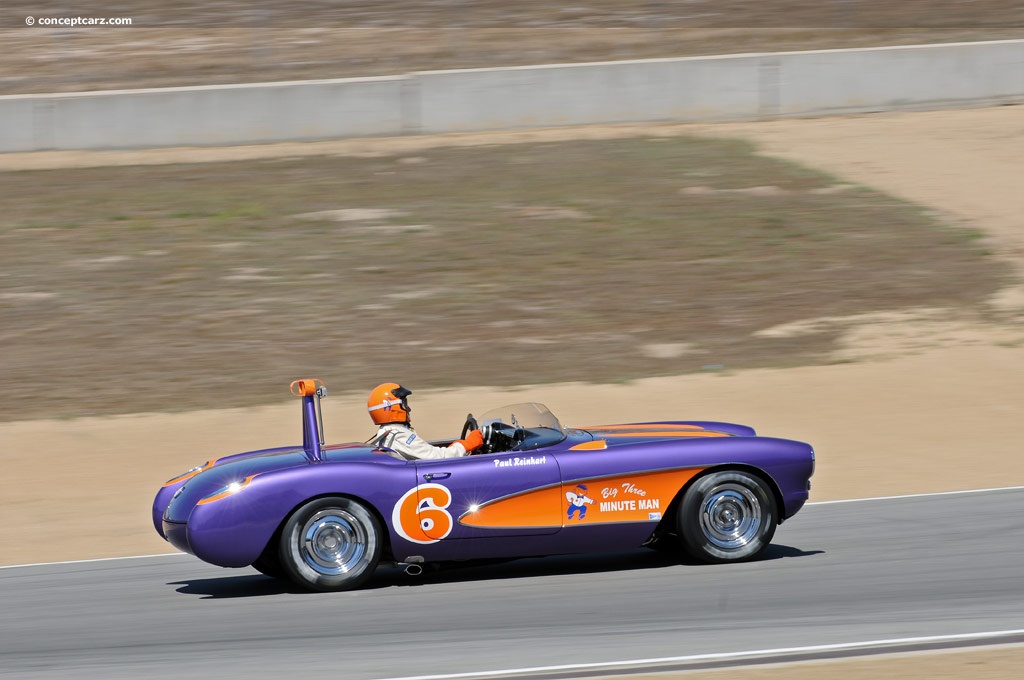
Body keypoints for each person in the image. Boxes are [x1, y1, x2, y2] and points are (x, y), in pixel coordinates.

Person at [367, 382, 484, 459]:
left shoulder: (389, 432)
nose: (409, 409)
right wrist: (467, 445)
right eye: (404, 404)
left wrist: (455, 446)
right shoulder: (397, 435)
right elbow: (435, 458)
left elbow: (426, 452)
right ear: (390, 407)